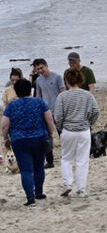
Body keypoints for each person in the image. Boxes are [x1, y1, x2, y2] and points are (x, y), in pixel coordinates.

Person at [2, 78, 55, 206]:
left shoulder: (11, 106)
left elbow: (4, 126)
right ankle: (39, 192)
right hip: (39, 138)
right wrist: (50, 133)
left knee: (26, 170)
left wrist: (6, 139)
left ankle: (30, 198)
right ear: (30, 89)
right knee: (39, 166)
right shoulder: (40, 102)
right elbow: (49, 119)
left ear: (16, 91)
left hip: (19, 140)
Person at [53, 68, 99, 198]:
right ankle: (81, 188)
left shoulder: (62, 96)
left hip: (68, 130)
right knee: (82, 160)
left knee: (66, 159)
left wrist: (61, 128)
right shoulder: (87, 95)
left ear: (66, 81)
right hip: (84, 130)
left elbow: (58, 115)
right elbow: (96, 111)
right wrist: (89, 123)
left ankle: (68, 184)